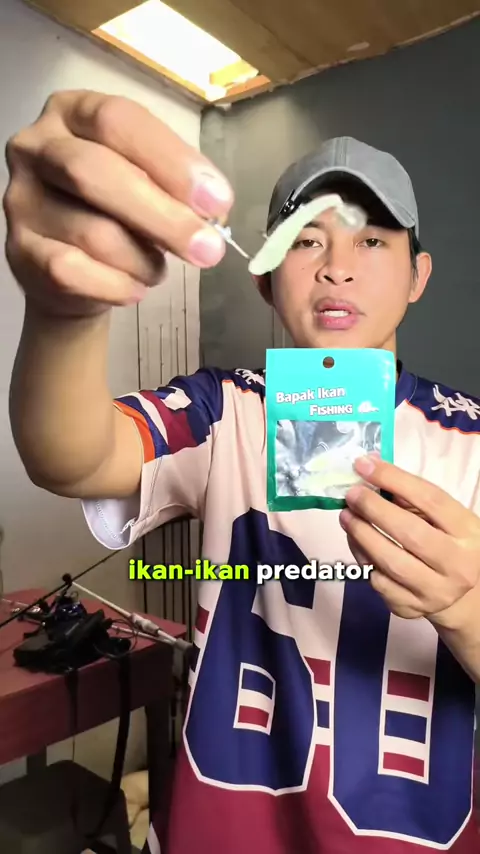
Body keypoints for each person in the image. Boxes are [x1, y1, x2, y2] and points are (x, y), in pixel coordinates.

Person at [4, 90, 480, 854]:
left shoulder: (472, 439)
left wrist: (469, 608)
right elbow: (73, 455)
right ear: (263, 279)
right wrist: (66, 309)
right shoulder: (224, 408)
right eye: (305, 240)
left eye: (371, 240)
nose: (337, 269)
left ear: (418, 275)